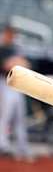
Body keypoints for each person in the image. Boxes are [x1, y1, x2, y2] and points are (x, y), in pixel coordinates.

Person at [0, 24, 32, 161]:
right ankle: (3, 146)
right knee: (4, 116)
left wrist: (15, 62)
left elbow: (27, 65)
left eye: (12, 34)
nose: (11, 37)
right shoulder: (2, 48)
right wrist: (15, 62)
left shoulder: (15, 48)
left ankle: (22, 148)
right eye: (9, 34)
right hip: (4, 83)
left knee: (20, 118)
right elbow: (6, 65)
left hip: (18, 85)